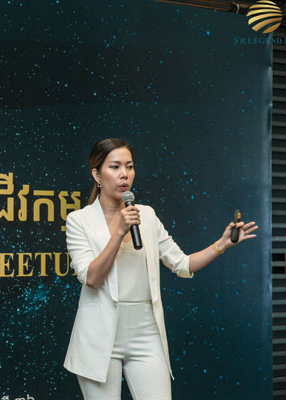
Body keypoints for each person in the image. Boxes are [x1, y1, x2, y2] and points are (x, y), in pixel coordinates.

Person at [62, 138, 258, 399]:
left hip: (145, 331)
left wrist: (221, 245)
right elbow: (92, 278)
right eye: (115, 167)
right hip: (98, 337)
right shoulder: (79, 220)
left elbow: (182, 264)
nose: (124, 174)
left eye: (129, 166)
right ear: (97, 174)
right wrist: (119, 232)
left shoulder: (147, 215)